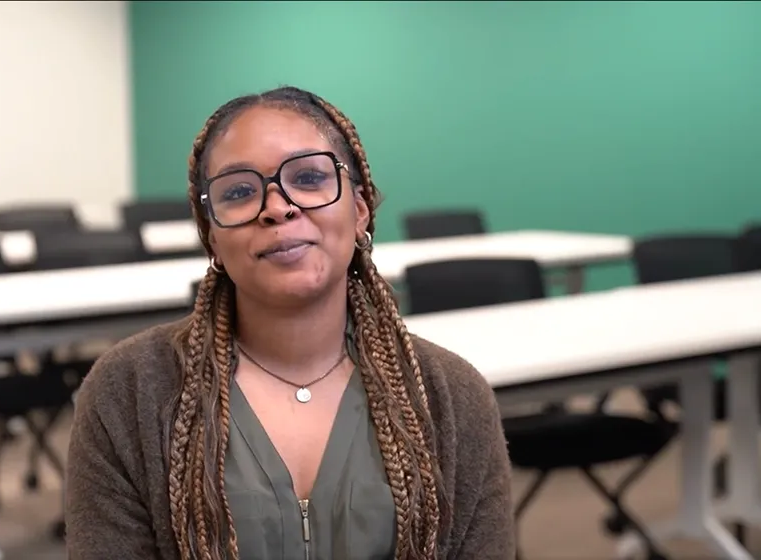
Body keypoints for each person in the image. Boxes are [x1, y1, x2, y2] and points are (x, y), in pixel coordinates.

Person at [65, 86, 514, 560]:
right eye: (239, 191)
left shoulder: (450, 396)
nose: (278, 207)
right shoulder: (130, 391)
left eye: (309, 177)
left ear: (360, 211)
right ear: (211, 236)